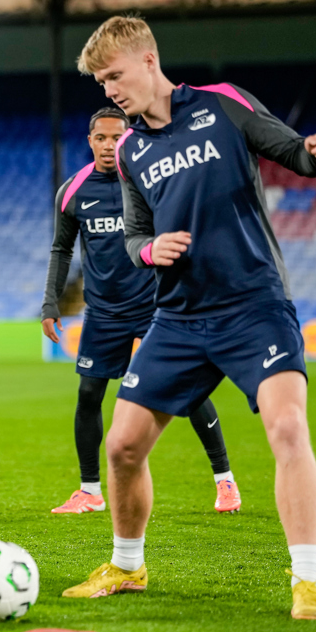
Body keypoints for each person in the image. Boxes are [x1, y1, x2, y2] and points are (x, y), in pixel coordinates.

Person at [61, 16, 316, 621]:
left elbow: (293, 151)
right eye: (101, 82)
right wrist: (148, 250)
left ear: (149, 60)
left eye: (114, 76)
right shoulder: (130, 150)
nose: (109, 90)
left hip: (254, 305)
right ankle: (127, 566)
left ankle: (308, 580)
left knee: (287, 427)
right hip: (180, 317)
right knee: (122, 445)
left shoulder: (223, 104)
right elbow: (135, 233)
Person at [42, 107, 239, 515]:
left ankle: (225, 480)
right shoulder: (73, 191)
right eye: (101, 138)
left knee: (191, 391)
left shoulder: (150, 180)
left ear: (128, 139)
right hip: (103, 313)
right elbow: (61, 249)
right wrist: (50, 302)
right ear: (90, 140)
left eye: (117, 138)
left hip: (157, 307)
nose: (108, 146)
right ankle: (90, 491)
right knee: (88, 394)